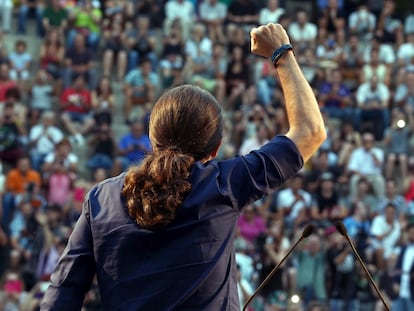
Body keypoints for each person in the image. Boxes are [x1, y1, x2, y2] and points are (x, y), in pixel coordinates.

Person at [40, 23, 326, 310]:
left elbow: (61, 295)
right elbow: (310, 132)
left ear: (152, 140)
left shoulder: (101, 201)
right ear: (215, 149)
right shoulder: (223, 185)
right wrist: (282, 53)